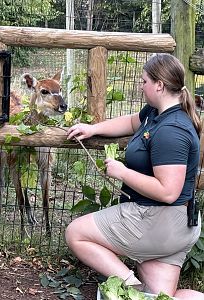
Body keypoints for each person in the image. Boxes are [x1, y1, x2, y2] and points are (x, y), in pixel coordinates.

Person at [66, 53, 203, 300]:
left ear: (159, 85)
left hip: (158, 220)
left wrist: (122, 172)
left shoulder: (171, 131)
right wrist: (93, 129)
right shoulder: (156, 113)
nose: (141, 87)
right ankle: (142, 291)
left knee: (75, 233)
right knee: (161, 296)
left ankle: (130, 289)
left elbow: (168, 192)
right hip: (176, 226)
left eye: (144, 81)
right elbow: (131, 122)